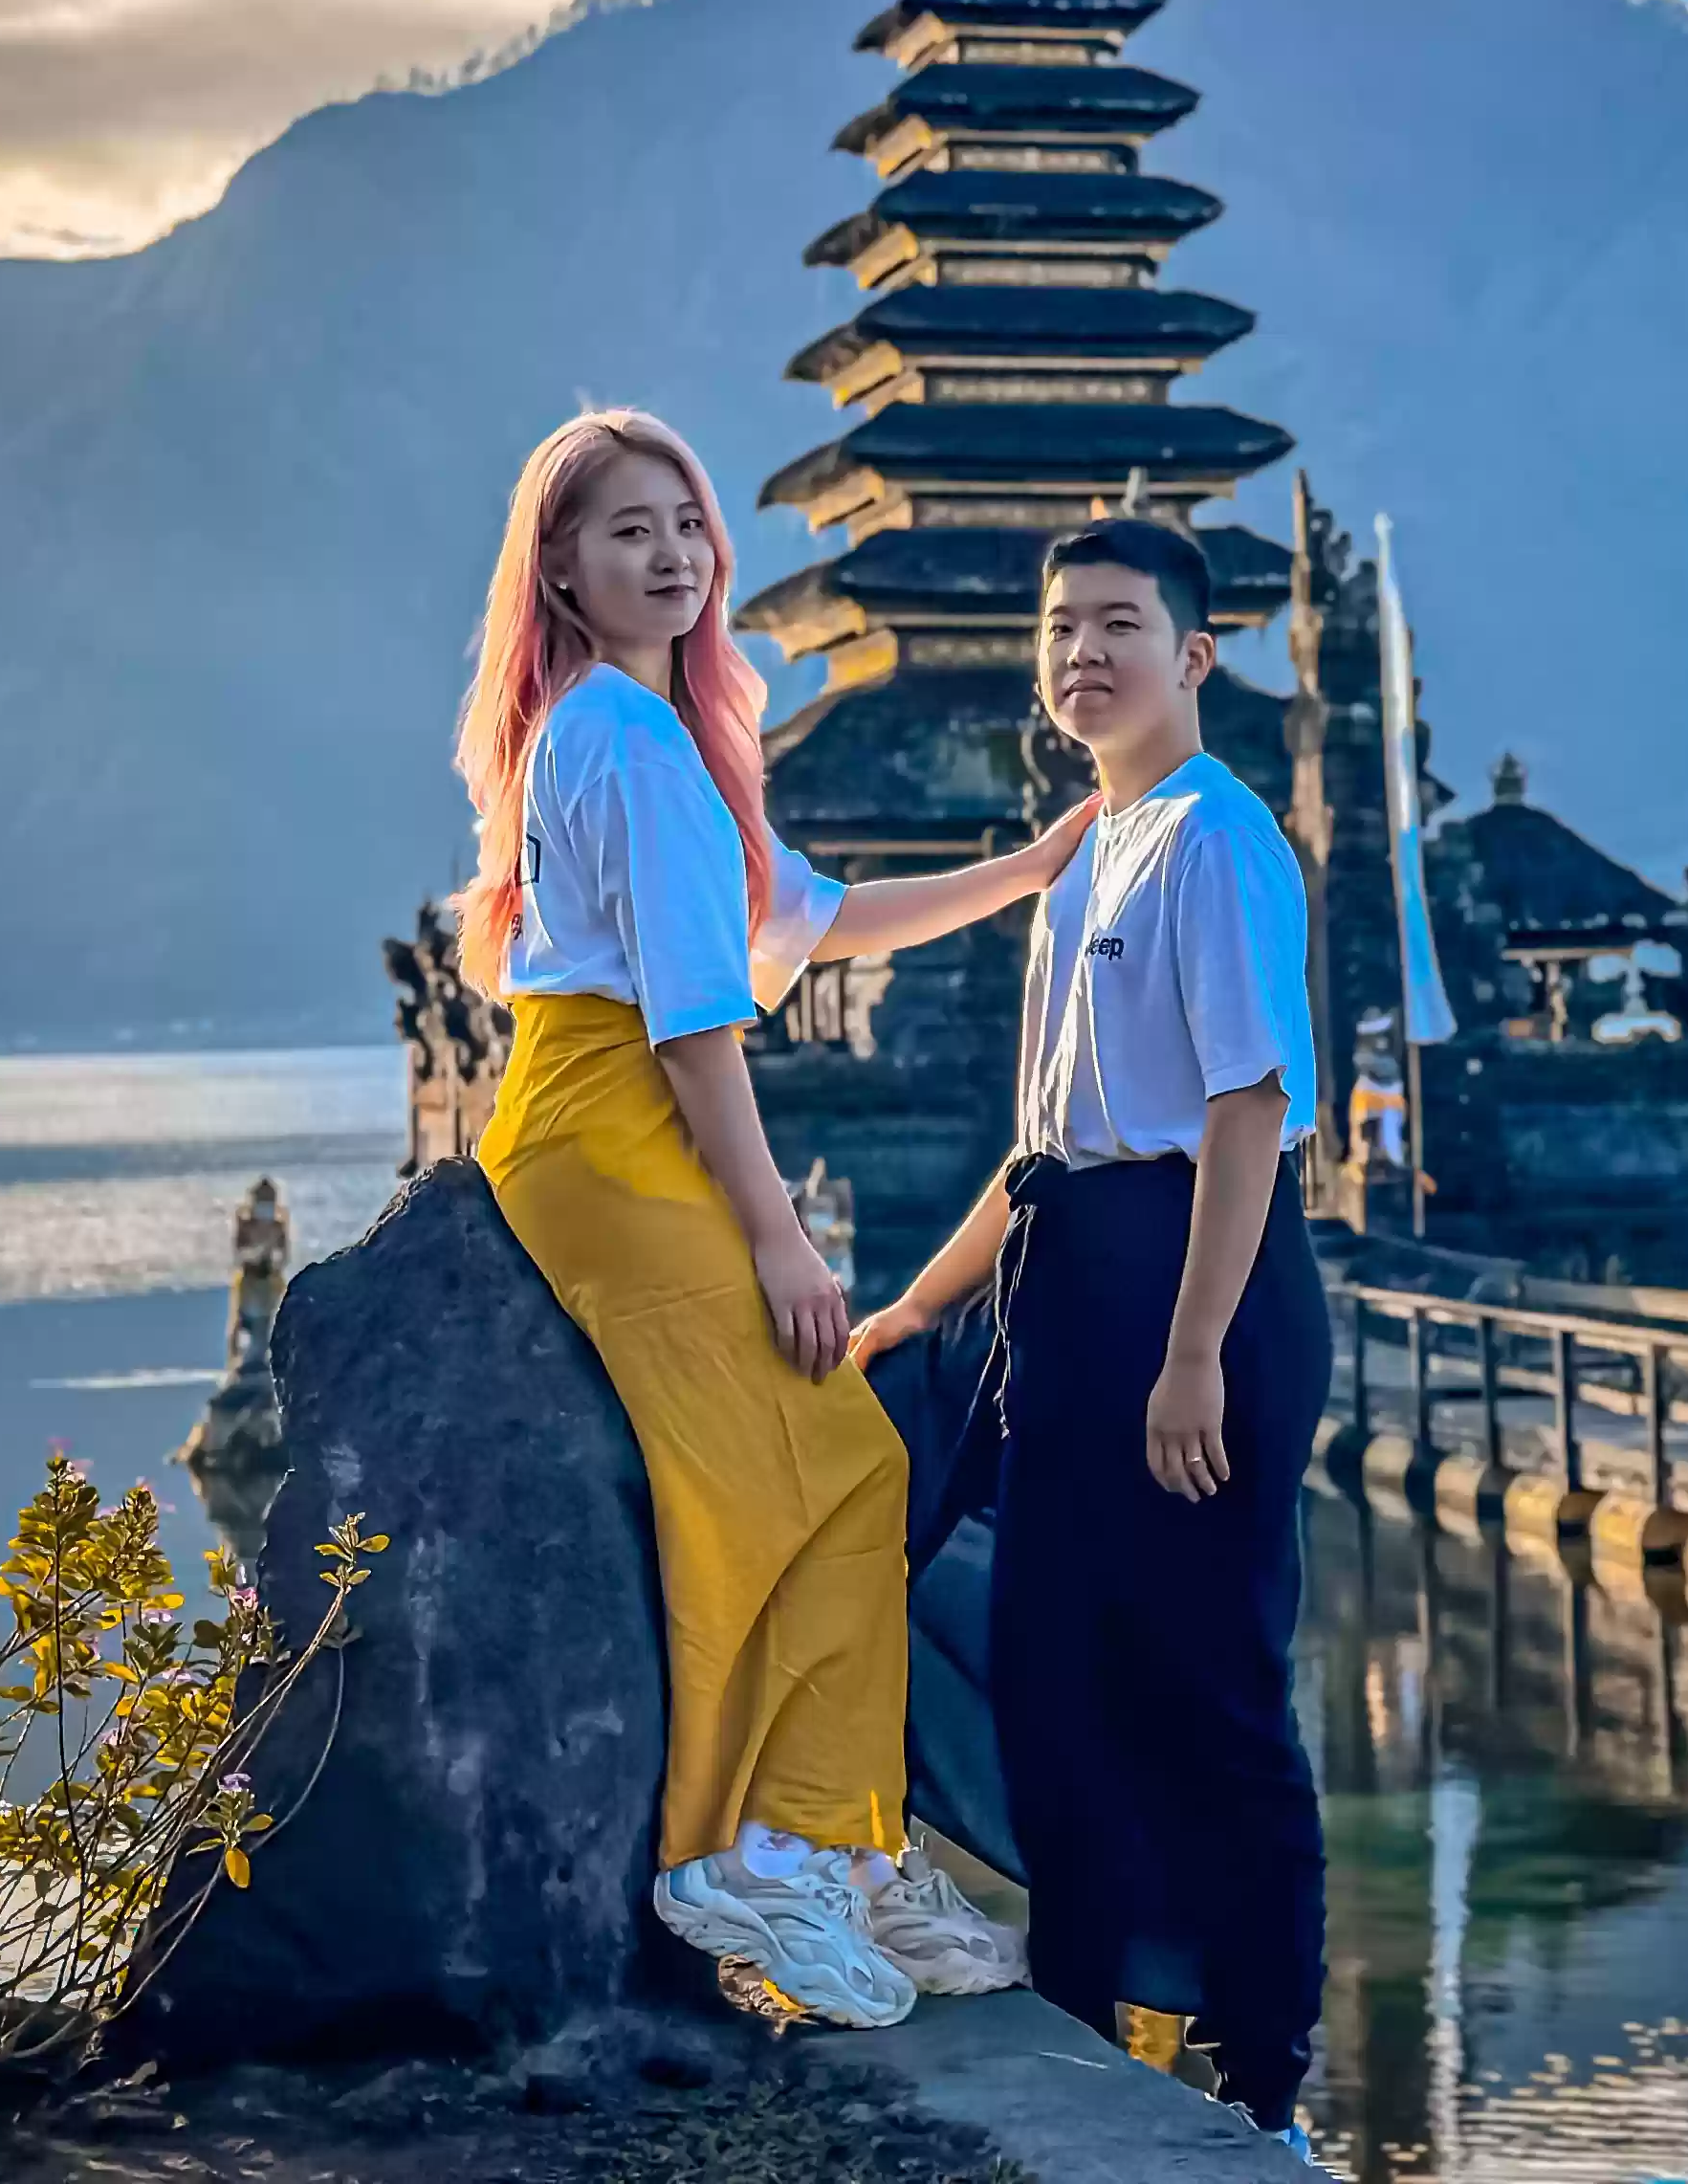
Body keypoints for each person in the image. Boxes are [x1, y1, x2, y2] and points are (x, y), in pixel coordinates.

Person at [453, 406, 1092, 2029]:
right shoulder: (615, 736)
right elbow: (688, 1025)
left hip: (620, 1119)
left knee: (852, 1465)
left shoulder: (665, 739)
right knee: (777, 1469)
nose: (668, 553)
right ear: (563, 572)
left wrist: (1031, 866)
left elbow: (815, 919)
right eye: (624, 532)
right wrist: (780, 1239)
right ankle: (737, 1854)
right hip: (611, 1127)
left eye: (685, 524)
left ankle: (840, 1843)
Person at [850, 515, 1330, 2142]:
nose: (1082, 657)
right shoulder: (1081, 861)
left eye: (1118, 626)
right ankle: (1088, 2027)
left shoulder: (1217, 839)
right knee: (1054, 1677)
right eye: (1060, 630)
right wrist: (919, 1306)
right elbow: (1045, 1146)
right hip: (1064, 1287)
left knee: (1214, 1688)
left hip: (1206, 1284)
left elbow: (1250, 1109)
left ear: (1195, 658)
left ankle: (1264, 2076)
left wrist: (1194, 1352)